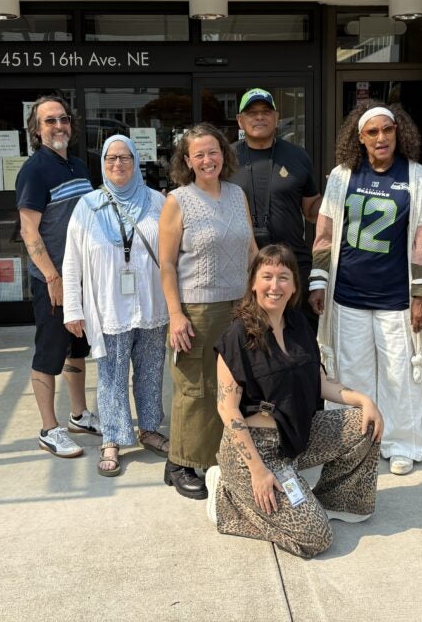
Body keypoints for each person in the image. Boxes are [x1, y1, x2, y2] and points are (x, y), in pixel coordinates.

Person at [209, 244, 383, 559]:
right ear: (253, 283)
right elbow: (227, 409)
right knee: (317, 538)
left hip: (297, 436)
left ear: (294, 286)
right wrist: (258, 471)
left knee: (365, 423)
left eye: (283, 277)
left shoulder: (299, 325)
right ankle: (228, 499)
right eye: (267, 276)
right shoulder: (237, 335)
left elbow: (321, 382)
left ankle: (333, 500)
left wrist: (363, 400)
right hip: (256, 451)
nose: (275, 286)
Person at [308, 102, 422, 476]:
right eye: (373, 132)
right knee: (351, 374)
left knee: (400, 372)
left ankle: (402, 444)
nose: (381, 137)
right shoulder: (341, 176)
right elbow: (325, 234)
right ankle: (354, 442)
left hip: (395, 298)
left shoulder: (416, 176)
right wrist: (318, 282)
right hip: (347, 294)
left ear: (399, 133)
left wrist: (421, 294)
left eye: (388, 130)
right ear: (360, 138)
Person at [159, 123, 257, 499]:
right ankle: (180, 463)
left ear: (224, 154)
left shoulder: (236, 195)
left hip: (238, 305)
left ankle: (220, 456)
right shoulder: (178, 201)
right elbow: (167, 265)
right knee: (195, 388)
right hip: (197, 309)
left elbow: (250, 249)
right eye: (198, 154)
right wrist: (176, 315)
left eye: (212, 151)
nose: (206, 159)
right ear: (187, 160)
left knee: (231, 386)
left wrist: (258, 296)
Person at [63, 134, 169, 477]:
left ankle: (149, 429)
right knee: (111, 376)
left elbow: (174, 255)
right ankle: (113, 437)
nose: (118, 164)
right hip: (108, 307)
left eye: (125, 158)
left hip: (152, 305)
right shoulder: (88, 205)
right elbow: (72, 262)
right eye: (111, 159)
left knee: (151, 371)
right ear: (103, 164)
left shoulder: (157, 202)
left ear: (136, 162)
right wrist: (73, 309)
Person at [16, 94, 101, 458]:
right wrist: (53, 279)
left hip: (82, 277)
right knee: (49, 353)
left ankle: (78, 415)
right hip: (53, 281)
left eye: (63, 119)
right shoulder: (34, 171)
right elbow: (28, 231)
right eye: (49, 121)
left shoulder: (79, 166)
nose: (58, 126)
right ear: (37, 129)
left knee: (77, 346)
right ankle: (49, 429)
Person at [230, 88, 322, 330]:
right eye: (252, 113)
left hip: (291, 266)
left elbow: (312, 211)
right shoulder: (226, 158)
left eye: (265, 112)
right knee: (250, 340)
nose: (259, 117)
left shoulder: (298, 156)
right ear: (240, 120)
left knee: (298, 337)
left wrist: (338, 192)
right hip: (242, 267)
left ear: (276, 117)